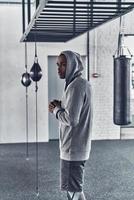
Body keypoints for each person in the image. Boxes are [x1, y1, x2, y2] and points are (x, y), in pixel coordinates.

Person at [49, 50, 92, 200]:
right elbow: (76, 109)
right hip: (77, 147)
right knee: (73, 190)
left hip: (72, 149)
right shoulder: (80, 84)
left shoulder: (75, 86)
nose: (59, 68)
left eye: (63, 65)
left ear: (72, 65)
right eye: (58, 65)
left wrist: (55, 110)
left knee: (75, 191)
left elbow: (72, 119)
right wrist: (60, 105)